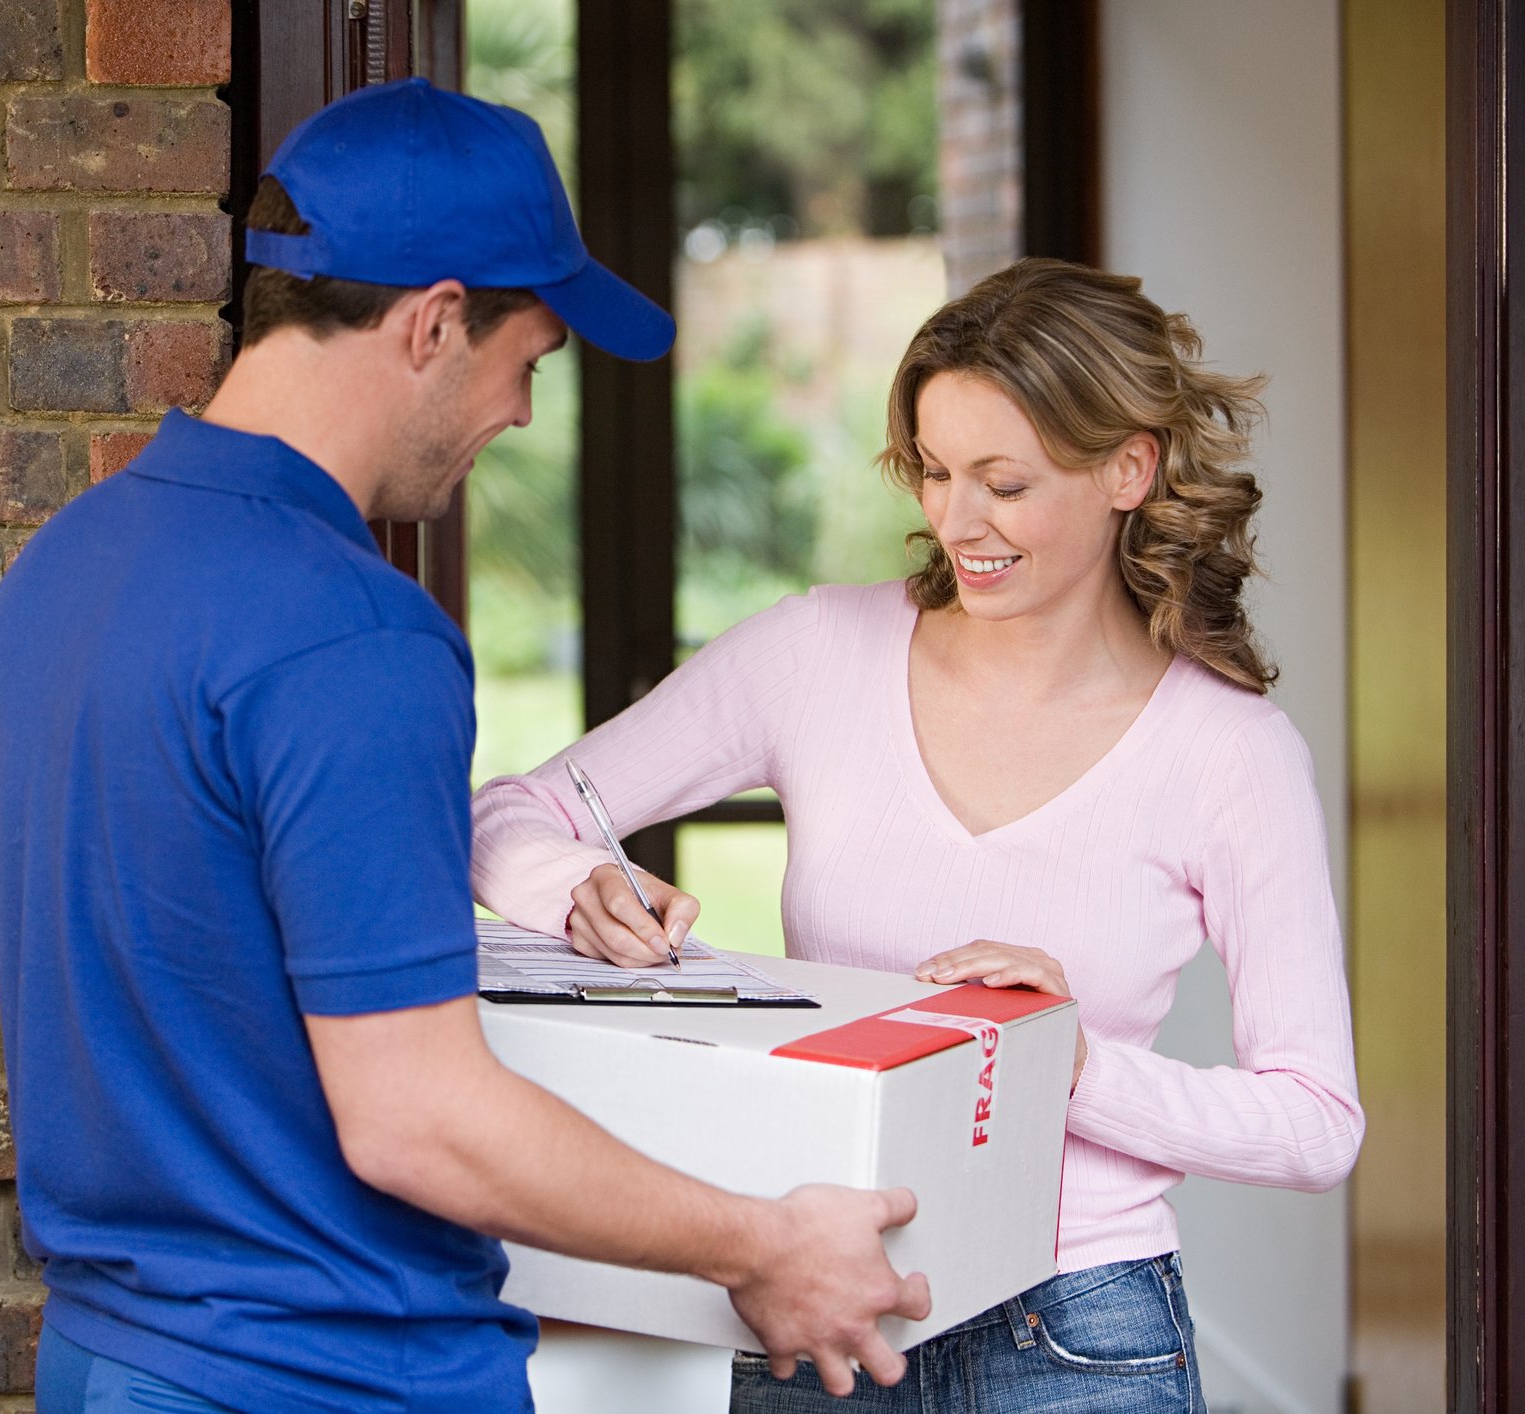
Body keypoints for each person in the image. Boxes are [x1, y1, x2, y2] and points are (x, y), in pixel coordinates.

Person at [0, 77, 931, 1414]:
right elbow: (418, 1113)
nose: (523, 414)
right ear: (432, 322)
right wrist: (763, 1243)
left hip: (109, 1358)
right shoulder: (353, 631)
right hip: (326, 1373)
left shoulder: (61, 571)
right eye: (524, 362)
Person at [470, 258, 1365, 1412]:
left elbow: (1314, 1123)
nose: (954, 519)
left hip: (1079, 1332)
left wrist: (1070, 1062)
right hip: (814, 1304)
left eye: (1002, 481)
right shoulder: (813, 656)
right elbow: (510, 811)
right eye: (934, 472)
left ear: (1127, 469)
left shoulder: (1228, 751)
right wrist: (572, 880)